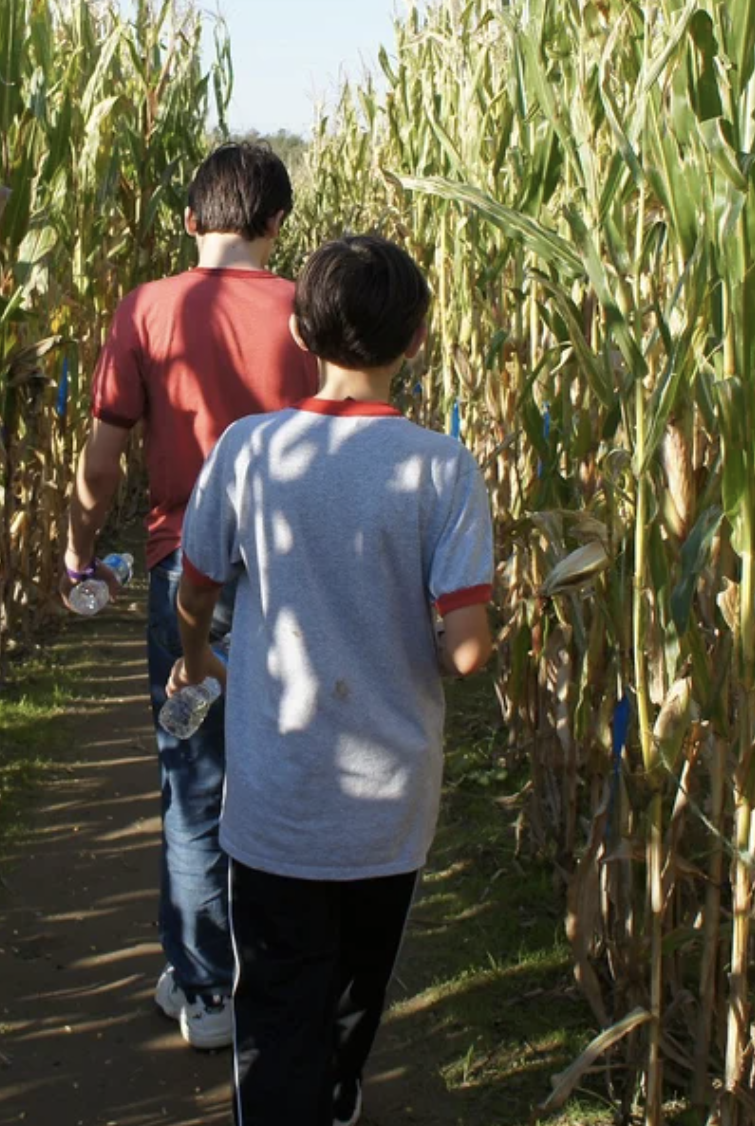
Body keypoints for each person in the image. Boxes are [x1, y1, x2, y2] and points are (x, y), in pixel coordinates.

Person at [168, 235, 496, 1126]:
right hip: (390, 806)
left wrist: (197, 659)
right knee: (356, 989)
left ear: (302, 331)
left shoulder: (249, 450)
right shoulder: (443, 468)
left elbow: (195, 590)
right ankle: (339, 1093)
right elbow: (466, 651)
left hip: (278, 798)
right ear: (417, 339)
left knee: (276, 1004)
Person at [64, 142, 319, 1050]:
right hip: (295, 578)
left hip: (186, 579)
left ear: (188, 222)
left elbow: (103, 461)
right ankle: (278, 978)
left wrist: (78, 549)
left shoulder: (147, 309)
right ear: (276, 223)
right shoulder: (306, 314)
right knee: (288, 778)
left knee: (194, 779)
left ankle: (207, 987)